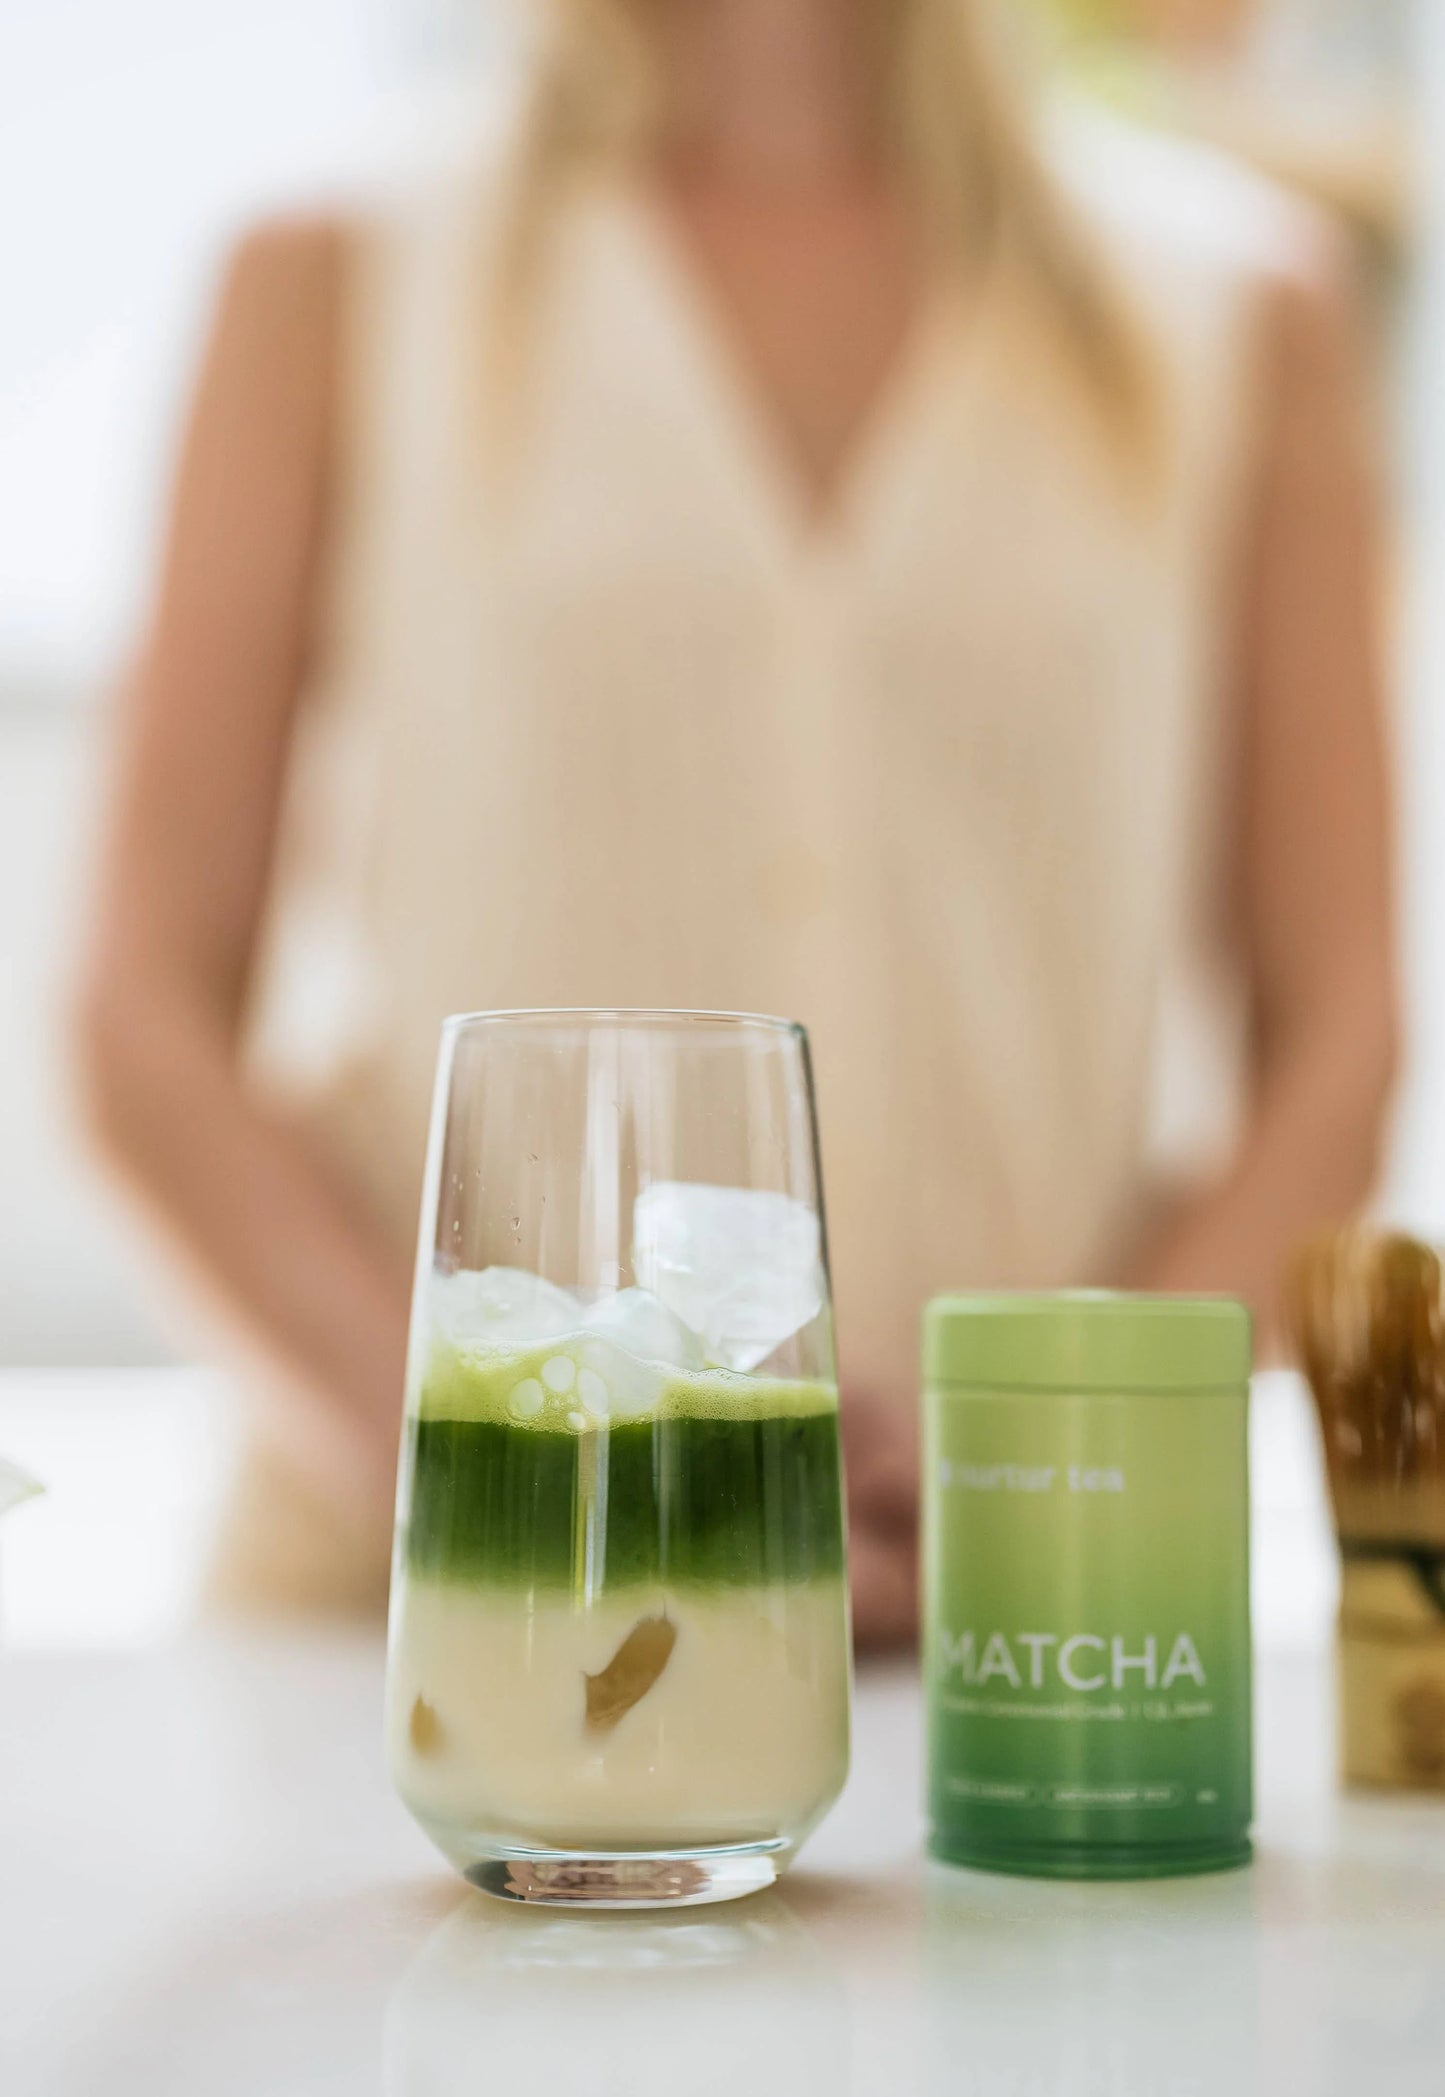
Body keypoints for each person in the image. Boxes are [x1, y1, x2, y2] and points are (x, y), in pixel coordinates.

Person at [75, 0, 1397, 1644]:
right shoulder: (344, 272)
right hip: (417, 1616)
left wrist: (1048, 1471)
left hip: (1005, 1637)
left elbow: (1338, 1032)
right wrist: (504, 1473)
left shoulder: (1233, 306)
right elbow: (140, 1025)